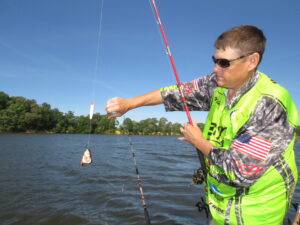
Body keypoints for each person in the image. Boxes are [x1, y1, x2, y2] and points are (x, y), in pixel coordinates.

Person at [105, 25, 299, 225]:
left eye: (224, 63)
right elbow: (177, 92)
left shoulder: (270, 103)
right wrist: (130, 103)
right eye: (215, 61)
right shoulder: (217, 84)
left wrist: (199, 142)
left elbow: (241, 170)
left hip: (256, 216)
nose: (216, 68)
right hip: (219, 208)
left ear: (252, 61)